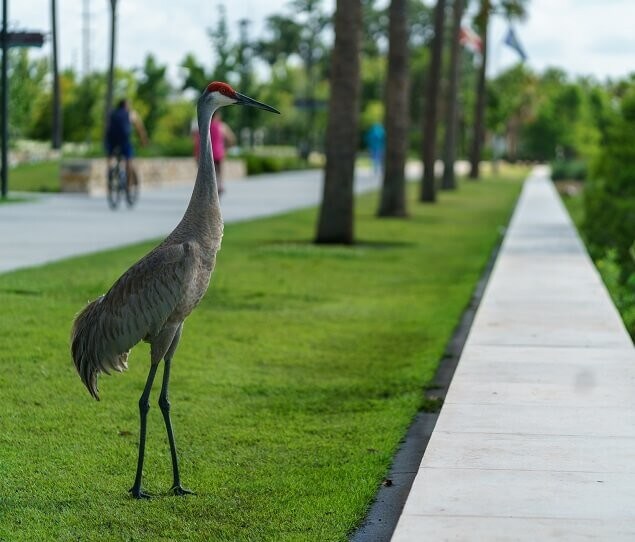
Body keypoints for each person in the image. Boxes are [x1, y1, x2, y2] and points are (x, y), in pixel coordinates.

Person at [105, 99, 148, 187]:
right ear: (126, 105)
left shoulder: (113, 114)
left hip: (111, 139)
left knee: (111, 157)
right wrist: (143, 140)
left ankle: (110, 173)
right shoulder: (131, 113)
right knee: (129, 159)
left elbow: (108, 128)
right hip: (124, 139)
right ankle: (128, 185)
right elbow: (140, 128)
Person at [209, 111, 236, 196]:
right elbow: (231, 139)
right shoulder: (222, 126)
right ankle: (219, 186)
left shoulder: (206, 126)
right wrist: (226, 148)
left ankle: (213, 189)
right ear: (217, 115)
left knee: (211, 173)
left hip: (208, 154)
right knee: (219, 172)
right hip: (218, 152)